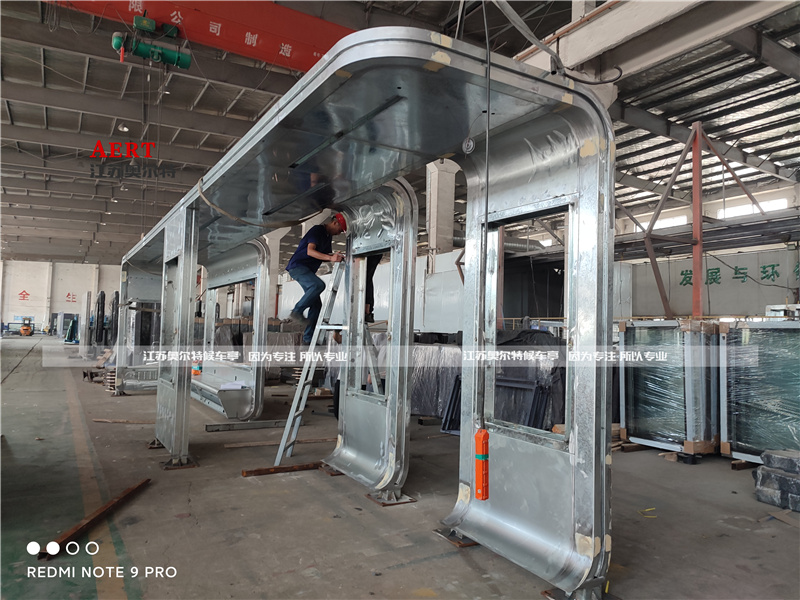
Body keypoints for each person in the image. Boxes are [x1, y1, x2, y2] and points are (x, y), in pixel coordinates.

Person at [286, 213, 347, 344]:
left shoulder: (328, 236)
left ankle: (308, 339)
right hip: (298, 267)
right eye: (340, 230)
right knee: (318, 285)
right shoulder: (318, 230)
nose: (340, 233)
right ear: (335, 223)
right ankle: (297, 311)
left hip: (307, 270)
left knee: (317, 306)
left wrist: (336, 256)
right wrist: (331, 258)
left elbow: (325, 254)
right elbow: (310, 251)